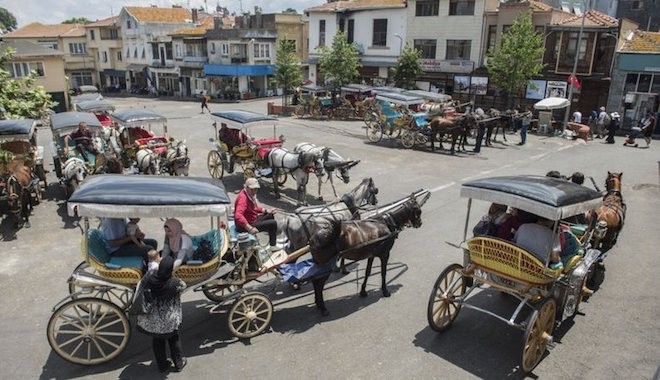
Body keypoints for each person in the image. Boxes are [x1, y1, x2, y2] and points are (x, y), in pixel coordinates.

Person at [137, 255, 187, 373]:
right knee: (174, 341)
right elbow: (184, 287)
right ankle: (179, 364)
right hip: (170, 321)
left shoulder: (150, 278)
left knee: (157, 342)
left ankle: (162, 366)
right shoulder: (175, 283)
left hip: (154, 321)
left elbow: (141, 285)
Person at [234, 177, 281, 253]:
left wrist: (266, 210)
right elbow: (238, 215)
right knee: (273, 223)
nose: (254, 191)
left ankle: (271, 238)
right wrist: (250, 228)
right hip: (244, 225)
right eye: (252, 189)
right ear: (247, 187)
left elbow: (253, 208)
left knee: (270, 215)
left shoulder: (247, 195)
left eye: (255, 189)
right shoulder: (243, 198)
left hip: (251, 218)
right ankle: (273, 246)